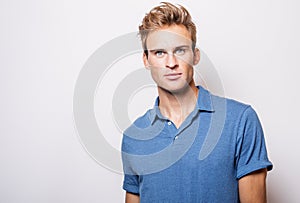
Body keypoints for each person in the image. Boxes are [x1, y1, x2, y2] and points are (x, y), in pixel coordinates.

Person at [121, 2, 273, 203]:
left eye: (180, 50)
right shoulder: (133, 137)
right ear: (146, 60)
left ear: (196, 55)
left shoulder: (240, 121)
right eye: (159, 52)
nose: (171, 63)